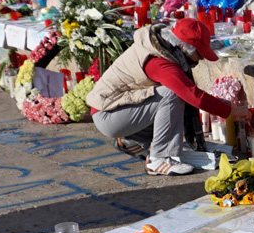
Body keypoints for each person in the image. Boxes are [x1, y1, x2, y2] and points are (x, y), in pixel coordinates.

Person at [88, 16, 236, 175]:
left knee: (171, 97)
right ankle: (159, 158)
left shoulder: (164, 50)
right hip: (108, 115)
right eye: (199, 53)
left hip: (114, 111)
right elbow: (192, 95)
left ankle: (132, 140)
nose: (200, 59)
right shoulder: (159, 61)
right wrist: (229, 111)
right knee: (172, 94)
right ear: (186, 47)